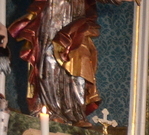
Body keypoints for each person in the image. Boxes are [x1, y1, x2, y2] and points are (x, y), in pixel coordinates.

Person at [8, 0, 136, 125]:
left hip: (76, 18)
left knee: (77, 62)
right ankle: (50, 110)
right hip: (53, 12)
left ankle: (75, 112)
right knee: (50, 59)